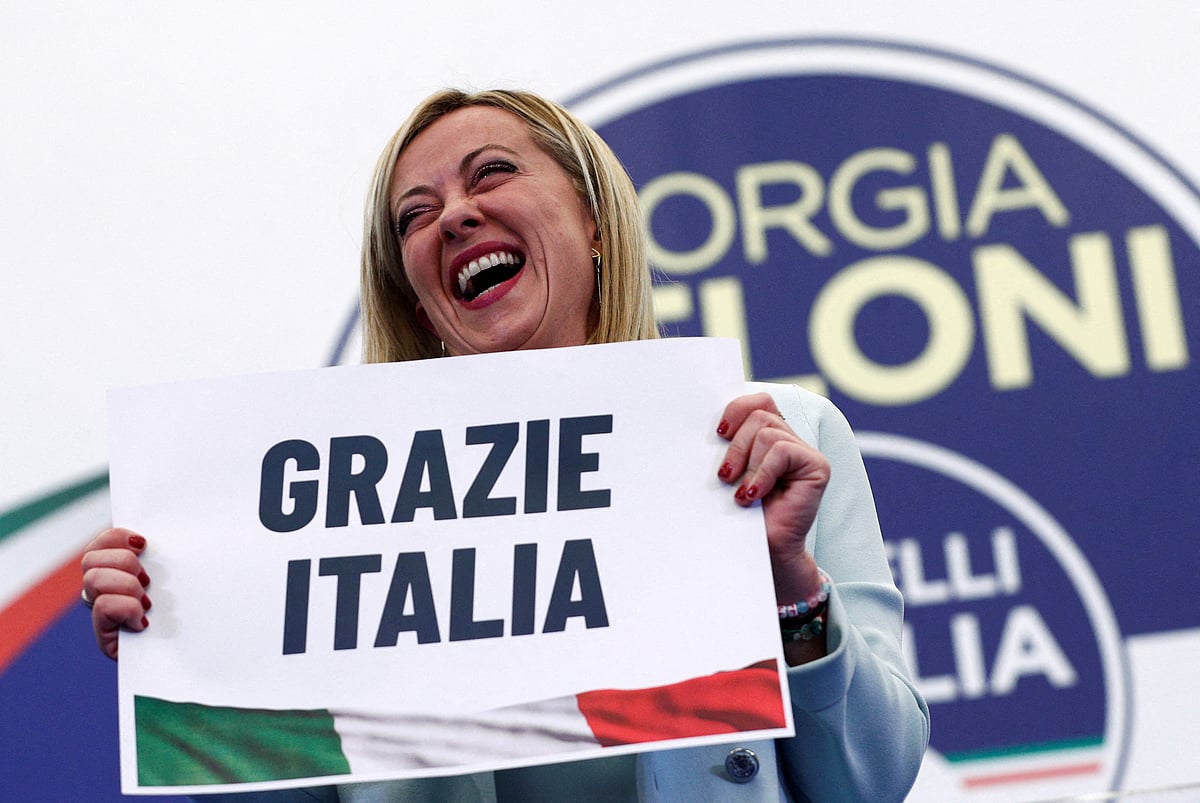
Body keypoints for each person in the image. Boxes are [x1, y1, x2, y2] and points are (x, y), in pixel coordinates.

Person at [82, 88, 929, 802]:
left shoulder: (776, 440)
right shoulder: (335, 518)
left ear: (595, 221)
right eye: (416, 215)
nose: (455, 214)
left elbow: (872, 779)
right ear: (421, 303)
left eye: (491, 172)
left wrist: (789, 582)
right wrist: (192, 656)